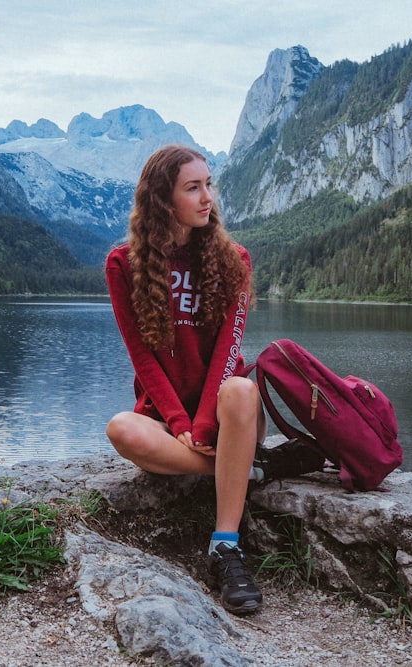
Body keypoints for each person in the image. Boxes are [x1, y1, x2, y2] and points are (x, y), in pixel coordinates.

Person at [104, 144, 314, 615]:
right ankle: (253, 469)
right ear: (163, 198)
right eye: (193, 187)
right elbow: (141, 356)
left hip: (228, 417)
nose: (207, 198)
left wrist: (201, 425)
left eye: (209, 185)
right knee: (120, 428)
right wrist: (178, 420)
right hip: (168, 421)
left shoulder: (233, 258)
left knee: (241, 387)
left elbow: (227, 352)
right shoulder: (123, 263)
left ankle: (225, 544)